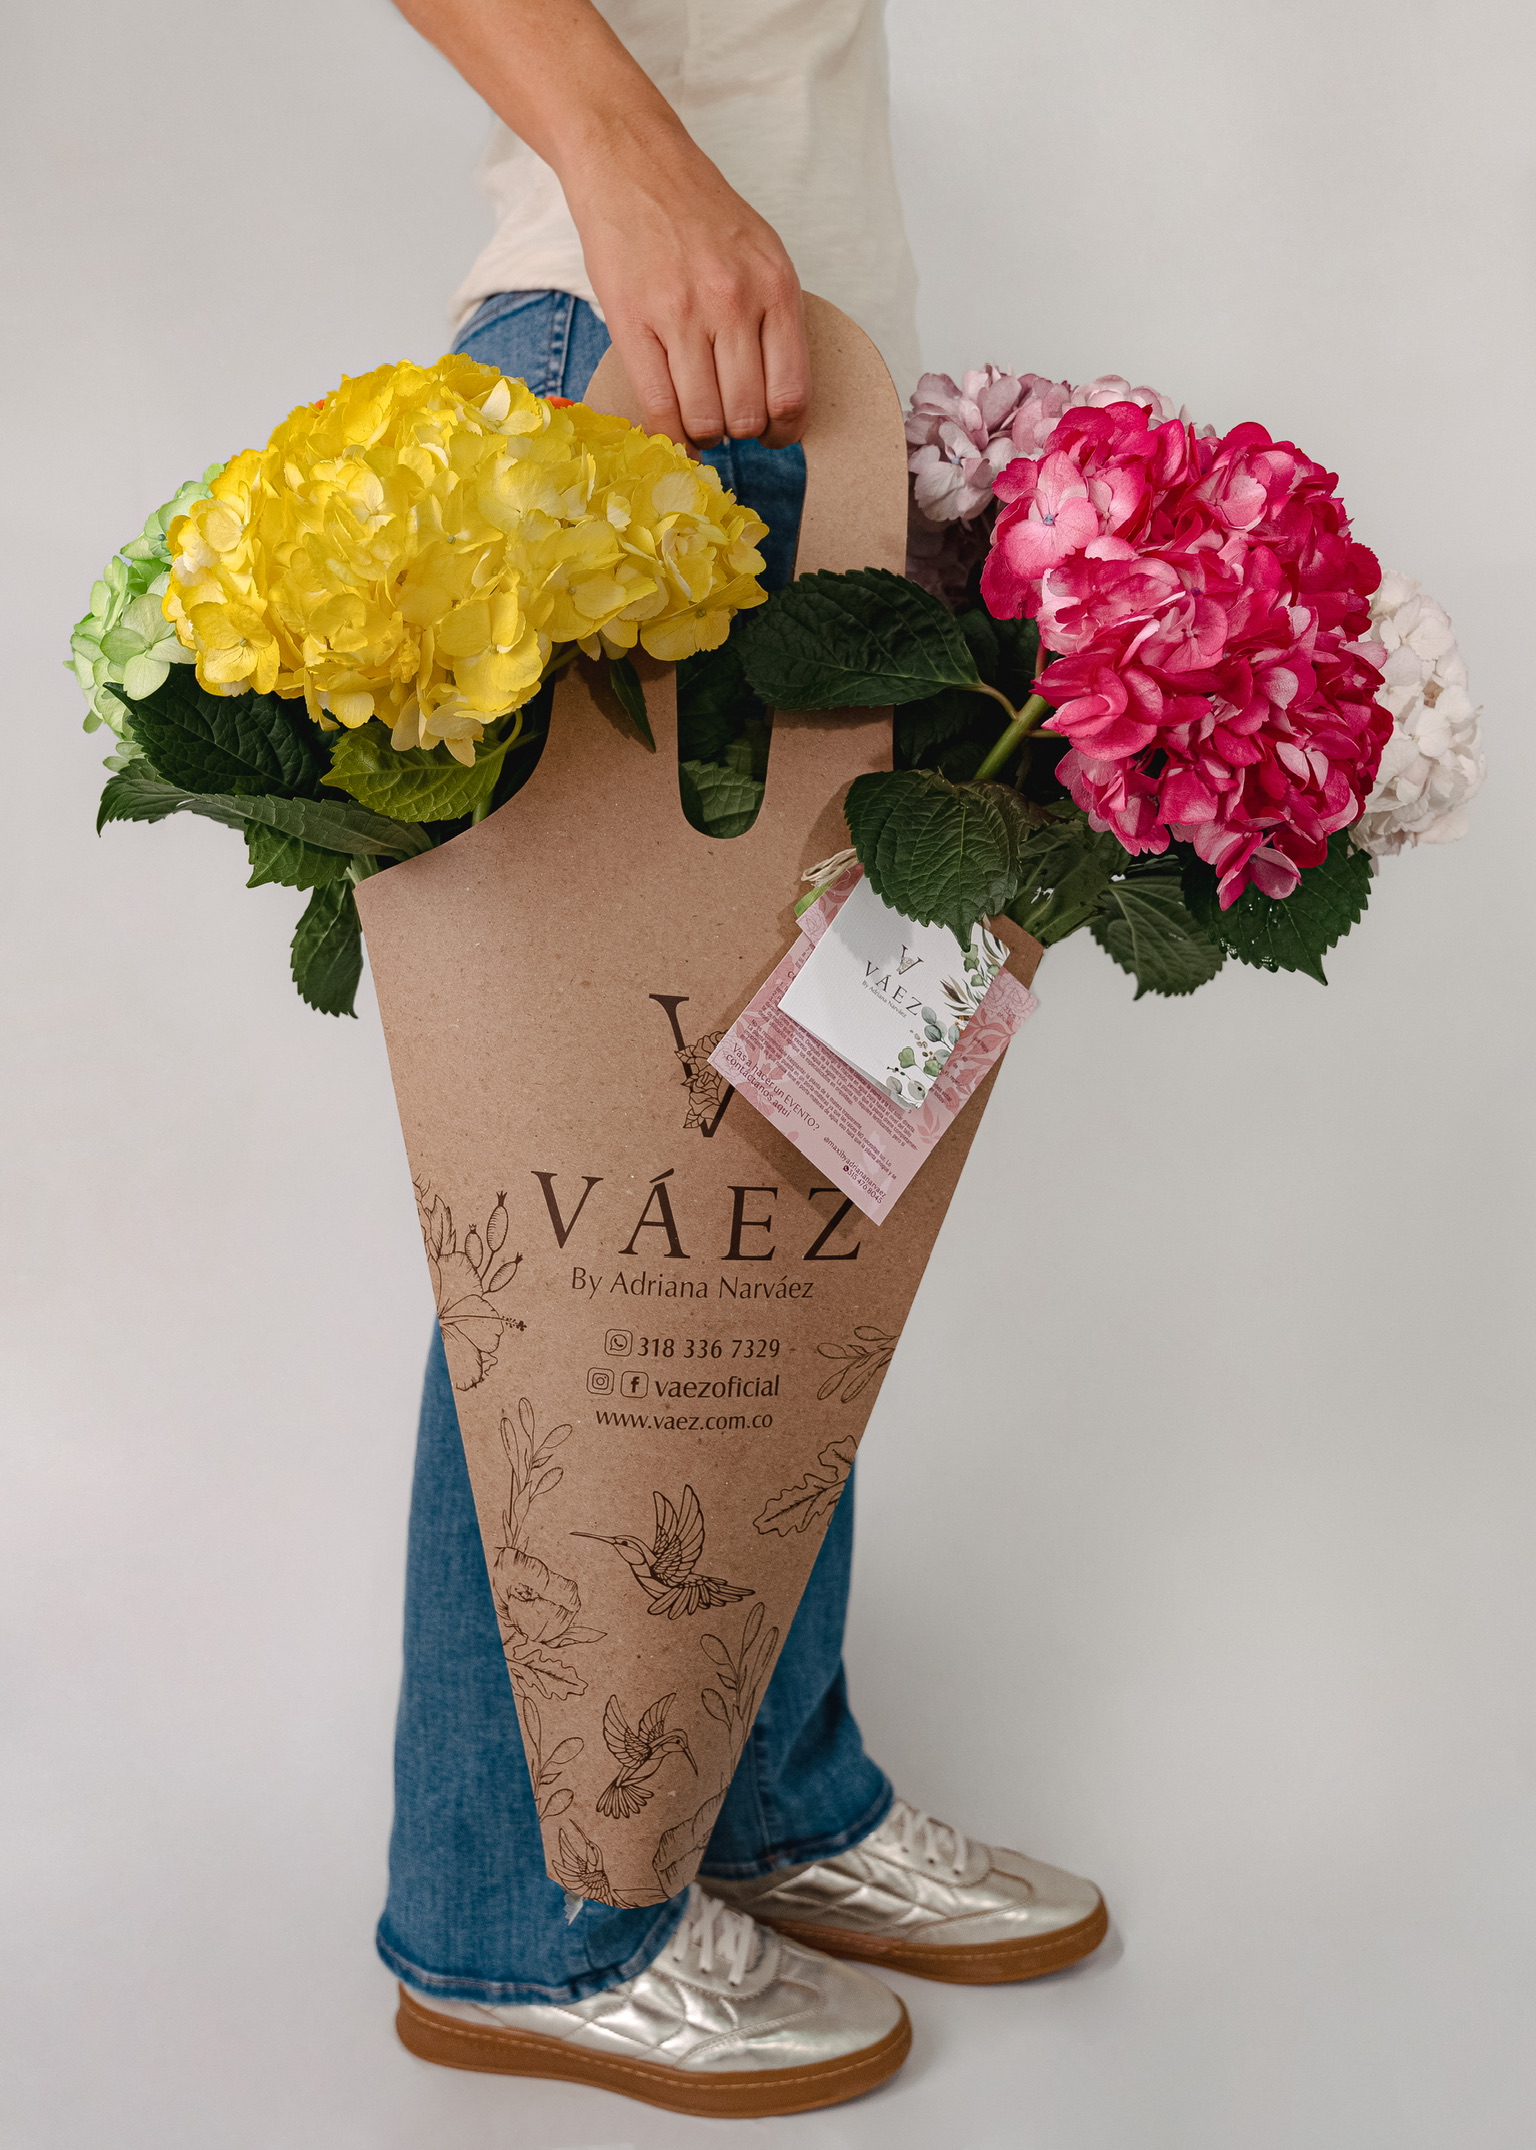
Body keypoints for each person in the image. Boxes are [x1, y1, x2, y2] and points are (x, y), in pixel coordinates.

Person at [380, 0, 1108, 2118]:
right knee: (593, 1192)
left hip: (801, 369)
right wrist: (635, 164)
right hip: (647, 340)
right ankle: (529, 1913)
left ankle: (760, 1788)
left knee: (793, 1153)